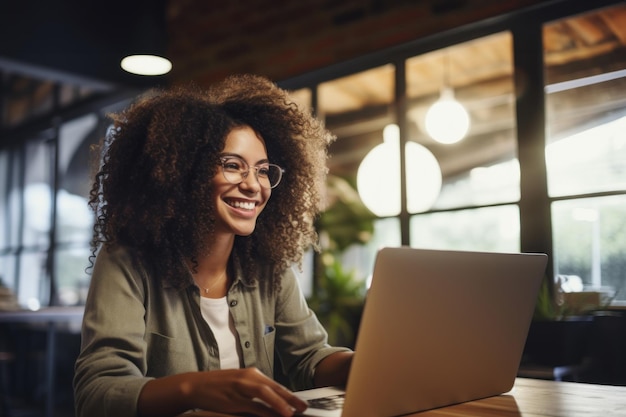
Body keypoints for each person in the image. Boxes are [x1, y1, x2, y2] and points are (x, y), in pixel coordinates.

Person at [73, 74, 353, 417]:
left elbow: (310, 357)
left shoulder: (268, 266)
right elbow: (97, 392)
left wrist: (364, 365)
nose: (254, 185)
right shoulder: (127, 261)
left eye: (263, 170)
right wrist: (192, 389)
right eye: (233, 165)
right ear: (184, 172)